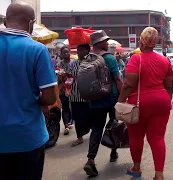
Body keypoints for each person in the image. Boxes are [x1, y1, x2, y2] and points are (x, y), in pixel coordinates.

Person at [0, 2, 57, 179]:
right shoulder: (37, 49)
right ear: (31, 23)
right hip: (28, 137)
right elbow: (49, 97)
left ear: (5, 20)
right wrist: (30, 96)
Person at [118, 27, 173, 180]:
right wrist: (167, 101)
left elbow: (128, 84)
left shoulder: (137, 59)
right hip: (162, 101)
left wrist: (120, 101)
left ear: (141, 41)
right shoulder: (165, 60)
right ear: (155, 42)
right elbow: (169, 85)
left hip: (139, 103)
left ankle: (136, 168)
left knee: (136, 137)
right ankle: (159, 175)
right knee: (157, 138)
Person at [83, 30, 123, 177]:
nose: (107, 43)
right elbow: (118, 80)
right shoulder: (110, 58)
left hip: (94, 100)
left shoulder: (87, 58)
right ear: (99, 43)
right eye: (105, 41)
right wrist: (123, 97)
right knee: (114, 124)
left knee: (96, 129)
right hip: (111, 98)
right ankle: (113, 152)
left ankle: (90, 160)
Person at [69, 44, 91, 147]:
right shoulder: (73, 64)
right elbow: (69, 76)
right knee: (77, 118)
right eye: (78, 50)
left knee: (88, 117)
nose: (79, 52)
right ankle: (79, 137)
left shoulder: (91, 63)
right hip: (74, 95)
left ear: (87, 51)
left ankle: (87, 129)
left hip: (88, 96)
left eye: (81, 50)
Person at [56, 46, 74, 135]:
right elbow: (57, 76)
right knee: (65, 107)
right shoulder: (59, 64)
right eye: (64, 52)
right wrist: (61, 75)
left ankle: (70, 122)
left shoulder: (74, 63)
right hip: (63, 90)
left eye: (67, 52)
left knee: (73, 107)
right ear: (61, 54)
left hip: (73, 89)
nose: (66, 54)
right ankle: (66, 125)